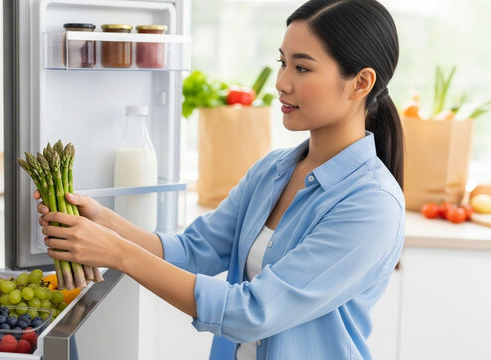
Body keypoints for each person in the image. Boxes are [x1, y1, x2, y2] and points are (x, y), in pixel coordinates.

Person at [36, 0, 405, 358]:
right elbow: (193, 251)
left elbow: (252, 313)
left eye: (302, 68)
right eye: (282, 63)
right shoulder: (273, 171)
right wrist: (105, 222)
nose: (281, 83)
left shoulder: (372, 204)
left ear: (360, 83)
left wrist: (117, 252)